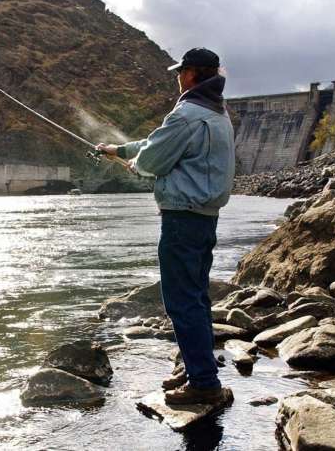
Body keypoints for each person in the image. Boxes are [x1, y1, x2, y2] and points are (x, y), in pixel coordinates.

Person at [96, 47, 235, 405]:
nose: (177, 77)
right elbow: (155, 145)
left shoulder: (187, 113)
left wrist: (137, 164)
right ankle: (198, 372)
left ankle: (203, 383)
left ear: (190, 74)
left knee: (182, 301)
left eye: (180, 71)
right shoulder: (217, 112)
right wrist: (120, 150)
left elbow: (154, 157)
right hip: (205, 219)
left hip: (181, 220)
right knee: (197, 297)